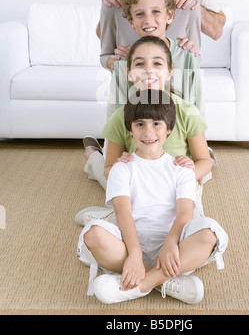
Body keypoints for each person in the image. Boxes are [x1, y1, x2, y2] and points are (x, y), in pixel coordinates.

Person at [77, 89, 228, 304]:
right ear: (130, 130)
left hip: (174, 246)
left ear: (169, 129)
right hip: (128, 244)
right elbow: (123, 212)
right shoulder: (122, 168)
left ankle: (143, 283)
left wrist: (170, 243)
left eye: (156, 124)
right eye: (140, 124)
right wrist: (134, 254)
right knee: (92, 235)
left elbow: (185, 213)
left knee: (209, 234)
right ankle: (163, 280)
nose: (148, 132)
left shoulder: (182, 169)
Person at [77, 35, 211, 227]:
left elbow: (204, 162)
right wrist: (117, 167)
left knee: (192, 225)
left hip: (178, 187)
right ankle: (93, 158)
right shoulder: (120, 116)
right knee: (124, 211)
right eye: (140, 64)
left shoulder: (188, 112)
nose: (148, 70)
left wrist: (191, 172)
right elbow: (110, 170)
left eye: (157, 63)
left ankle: (92, 157)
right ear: (130, 74)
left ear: (170, 72)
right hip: (137, 185)